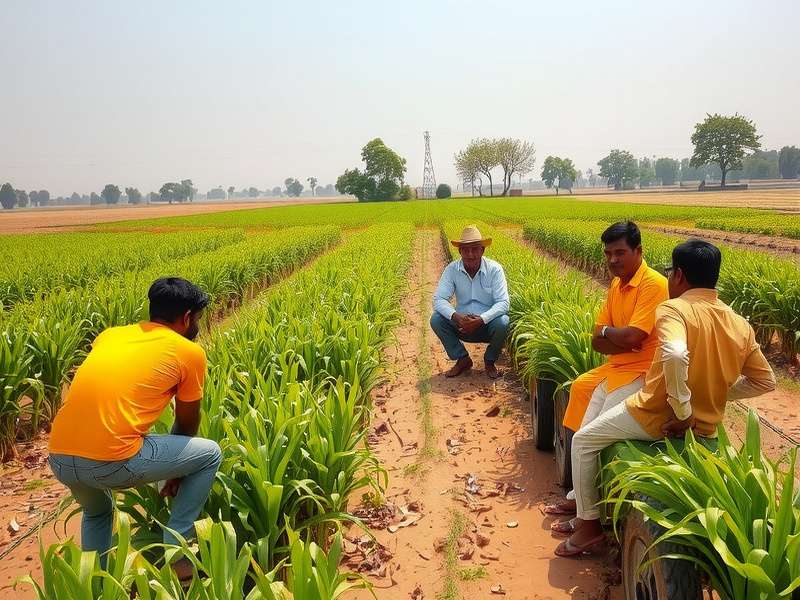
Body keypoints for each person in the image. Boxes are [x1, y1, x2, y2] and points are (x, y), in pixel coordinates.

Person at [555, 240, 776, 557]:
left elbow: (674, 353)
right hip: (707, 426)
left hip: (655, 415)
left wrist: (683, 409)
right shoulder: (739, 323)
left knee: (584, 441)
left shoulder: (675, 308)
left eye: (671, 272)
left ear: (680, 276)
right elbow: (765, 380)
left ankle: (589, 527)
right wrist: (715, 392)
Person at [48, 277, 220, 578]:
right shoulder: (188, 352)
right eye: (198, 320)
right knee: (210, 454)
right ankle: (178, 552)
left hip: (59, 457)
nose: (198, 328)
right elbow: (189, 421)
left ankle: (96, 583)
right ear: (187, 318)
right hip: (110, 460)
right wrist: (176, 472)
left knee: (97, 511)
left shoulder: (110, 335)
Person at [545, 221, 668, 527]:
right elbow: (597, 340)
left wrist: (613, 335)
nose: (613, 260)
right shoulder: (616, 285)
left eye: (620, 253)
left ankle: (589, 521)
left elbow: (632, 338)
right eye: (608, 254)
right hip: (618, 368)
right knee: (582, 405)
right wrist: (615, 336)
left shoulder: (652, 284)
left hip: (642, 375)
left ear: (638, 251)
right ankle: (579, 501)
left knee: (589, 439)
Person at [431, 225, 510, 380]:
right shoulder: (452, 270)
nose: (470, 254)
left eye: (475, 249)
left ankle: (489, 361)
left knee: (503, 322)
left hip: (487, 325)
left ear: (482, 250)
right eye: (465, 250)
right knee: (436, 319)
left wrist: (481, 319)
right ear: (460, 251)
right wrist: (457, 317)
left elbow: (503, 302)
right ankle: (462, 359)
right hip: (462, 326)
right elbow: (438, 299)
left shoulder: (495, 269)